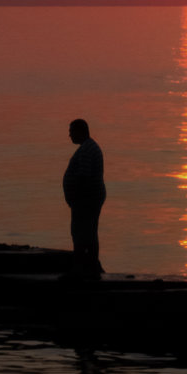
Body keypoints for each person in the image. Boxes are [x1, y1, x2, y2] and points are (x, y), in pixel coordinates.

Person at [63, 119, 106, 278]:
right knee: (87, 232)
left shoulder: (87, 150)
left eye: (71, 131)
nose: (69, 135)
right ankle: (90, 267)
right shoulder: (88, 148)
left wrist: (77, 199)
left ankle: (81, 269)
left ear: (80, 131)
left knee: (82, 233)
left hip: (87, 200)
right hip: (88, 199)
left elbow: (84, 178)